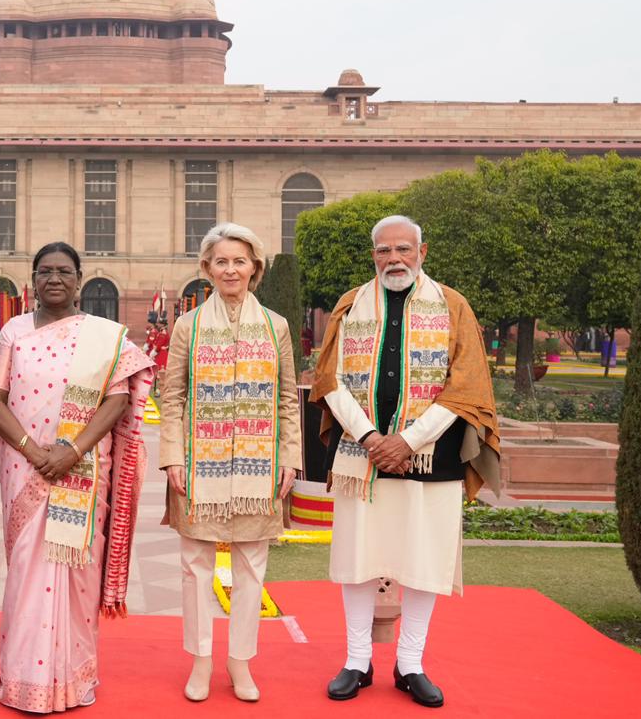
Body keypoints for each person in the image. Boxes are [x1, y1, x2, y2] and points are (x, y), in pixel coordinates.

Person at [309, 215, 500, 708]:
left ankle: (410, 663)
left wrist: (408, 441)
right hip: (360, 453)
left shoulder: (452, 305)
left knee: (423, 561)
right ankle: (356, 660)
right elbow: (330, 381)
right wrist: (372, 436)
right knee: (357, 561)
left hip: (431, 456)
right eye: (383, 251)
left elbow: (467, 386)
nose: (393, 259)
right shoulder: (351, 305)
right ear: (373, 255)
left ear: (422, 251)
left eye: (403, 249)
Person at [0, 242, 155, 712]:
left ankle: (74, 680)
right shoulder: (13, 331)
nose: (53, 279)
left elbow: (116, 400)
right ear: (32, 279)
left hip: (81, 468)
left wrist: (72, 451)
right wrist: (33, 450)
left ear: (79, 279)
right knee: (25, 573)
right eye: (44, 271)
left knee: (79, 572)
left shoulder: (102, 335)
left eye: (63, 271)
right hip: (24, 467)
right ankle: (21, 679)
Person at [158, 222, 301, 704]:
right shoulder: (188, 325)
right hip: (199, 464)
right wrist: (173, 457)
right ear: (207, 269)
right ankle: (200, 660)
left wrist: (289, 458)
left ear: (254, 268)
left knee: (251, 567)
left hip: (259, 466)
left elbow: (287, 398)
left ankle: (240, 662)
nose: (231, 269)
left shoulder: (276, 326)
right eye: (221, 261)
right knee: (195, 566)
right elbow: (172, 394)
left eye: (240, 260)